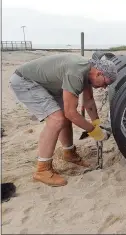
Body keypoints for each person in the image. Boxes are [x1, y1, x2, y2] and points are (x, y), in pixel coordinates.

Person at [9, 53, 118, 187]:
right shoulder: (76, 73)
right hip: (25, 81)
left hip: (47, 85)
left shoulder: (88, 71)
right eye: (106, 83)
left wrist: (97, 124)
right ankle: (42, 170)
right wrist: (95, 132)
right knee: (57, 119)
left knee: (64, 117)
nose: (105, 88)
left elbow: (89, 101)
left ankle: (69, 153)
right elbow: (71, 113)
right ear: (99, 74)